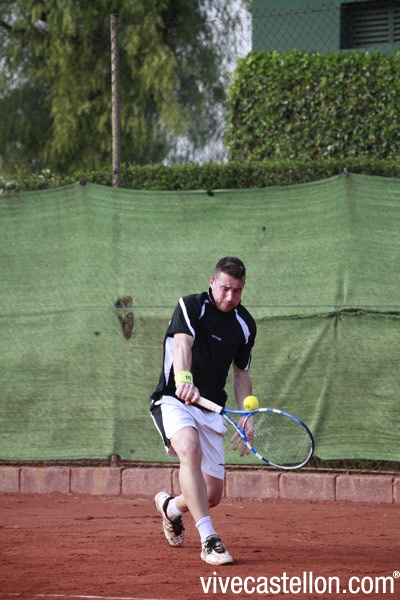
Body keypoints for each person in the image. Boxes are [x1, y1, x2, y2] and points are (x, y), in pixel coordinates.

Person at [150, 256, 257, 565]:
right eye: (224, 288)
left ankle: (171, 508)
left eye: (237, 290)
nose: (230, 296)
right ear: (212, 282)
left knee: (211, 495)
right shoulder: (191, 306)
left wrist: (246, 415)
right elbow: (182, 345)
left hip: (211, 408)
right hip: (174, 399)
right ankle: (209, 539)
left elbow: (241, 373)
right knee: (189, 450)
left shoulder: (245, 325)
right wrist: (184, 380)